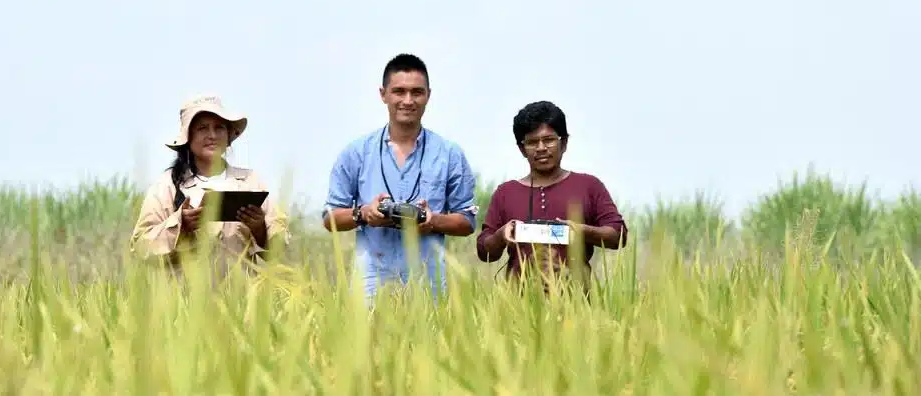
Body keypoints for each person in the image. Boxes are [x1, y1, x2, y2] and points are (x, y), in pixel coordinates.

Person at [321, 53, 478, 300]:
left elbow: (467, 221)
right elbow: (329, 218)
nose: (407, 100)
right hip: (371, 284)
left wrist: (432, 220)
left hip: (428, 284)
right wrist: (364, 214)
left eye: (417, 92)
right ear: (383, 94)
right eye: (399, 91)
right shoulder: (356, 153)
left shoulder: (450, 154)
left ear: (428, 95)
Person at [130, 94, 290, 279]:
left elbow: (280, 243)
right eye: (202, 128)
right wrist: (180, 226)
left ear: (229, 136)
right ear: (188, 137)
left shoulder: (250, 181)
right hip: (183, 303)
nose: (212, 135)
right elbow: (140, 246)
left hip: (240, 302)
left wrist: (260, 229)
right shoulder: (167, 186)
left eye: (219, 127)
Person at [476, 100, 627, 286]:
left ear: (563, 143)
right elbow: (484, 251)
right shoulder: (505, 193)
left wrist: (582, 231)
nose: (541, 148)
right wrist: (501, 236)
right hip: (518, 307)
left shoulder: (589, 186)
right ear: (522, 149)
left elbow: (618, 235)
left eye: (548, 140)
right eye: (532, 142)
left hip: (578, 305)